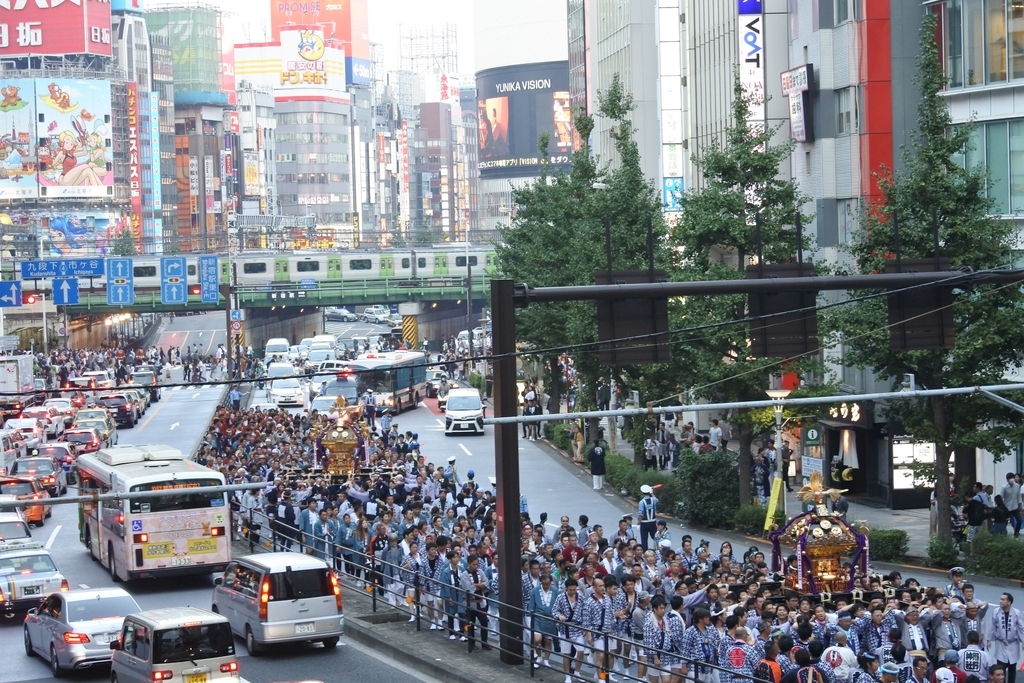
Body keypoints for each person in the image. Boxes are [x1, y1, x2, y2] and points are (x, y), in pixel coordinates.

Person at [987, 593, 1024, 683]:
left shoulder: (1016, 612)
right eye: (1000, 599)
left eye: (1003, 599)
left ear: (1009, 602)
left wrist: (1023, 641)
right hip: (1001, 643)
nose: (1000, 601)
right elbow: (992, 626)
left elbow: (1021, 627)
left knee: (1012, 667)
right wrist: (989, 639)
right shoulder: (996, 611)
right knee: (1001, 667)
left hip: (1013, 643)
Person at [1000, 473, 1022, 539]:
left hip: (1015, 507)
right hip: (1007, 507)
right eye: (1010, 478)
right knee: (1005, 521)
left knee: (1019, 520)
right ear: (1007, 479)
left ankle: (1016, 534)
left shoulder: (1017, 486)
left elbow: (1018, 496)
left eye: (1013, 477)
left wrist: (1019, 505)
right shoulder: (1004, 487)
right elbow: (1001, 497)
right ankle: (1003, 534)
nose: (1012, 479)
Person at [638, 485, 659, 551]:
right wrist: (652, 492)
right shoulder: (653, 500)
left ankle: (645, 552)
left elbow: (641, 514)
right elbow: (656, 499)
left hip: (644, 523)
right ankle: (658, 549)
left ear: (642, 492)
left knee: (644, 538)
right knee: (655, 537)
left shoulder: (641, 502)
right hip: (653, 522)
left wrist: (639, 523)